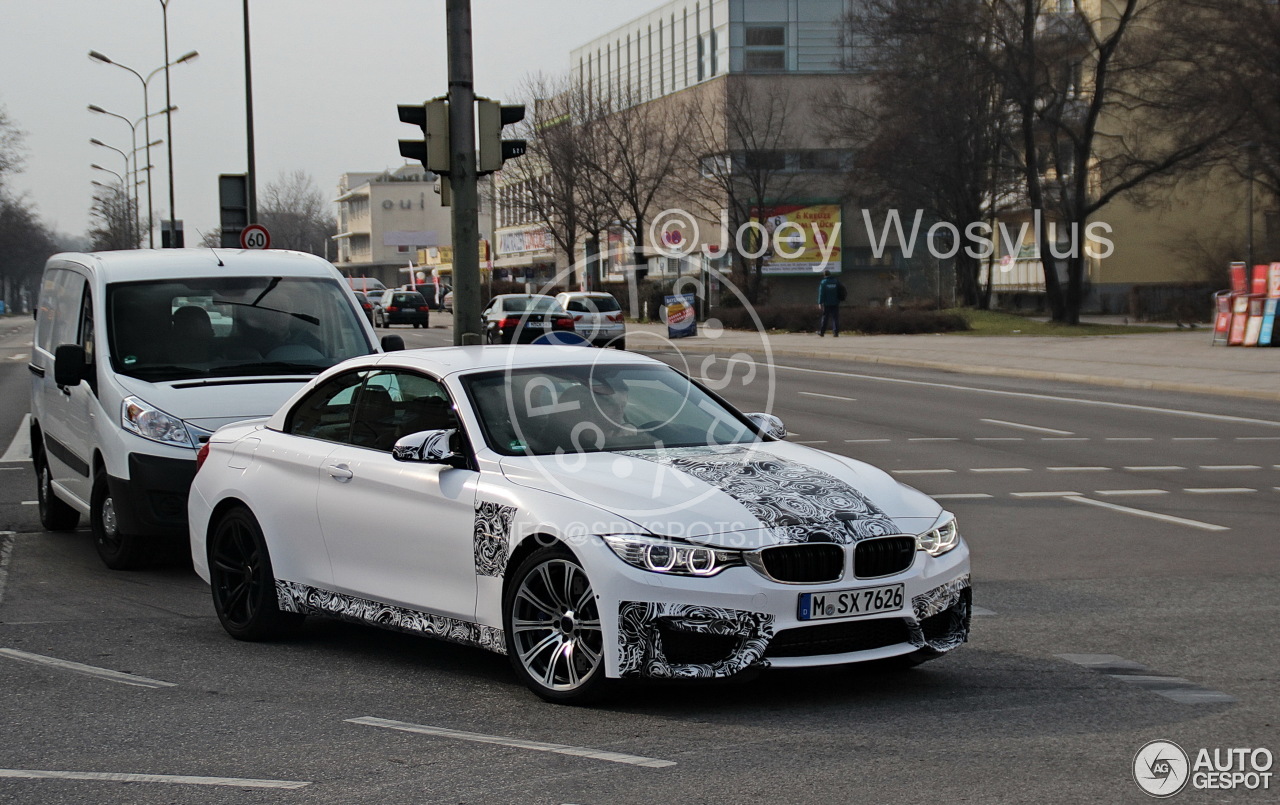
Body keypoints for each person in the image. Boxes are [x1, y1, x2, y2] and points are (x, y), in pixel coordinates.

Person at [817, 269, 842, 337]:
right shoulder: (836, 282)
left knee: (825, 318)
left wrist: (820, 302)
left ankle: (822, 332)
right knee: (835, 318)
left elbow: (821, 293)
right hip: (835, 302)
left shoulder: (824, 282)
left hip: (826, 303)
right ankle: (836, 332)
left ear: (824, 275)